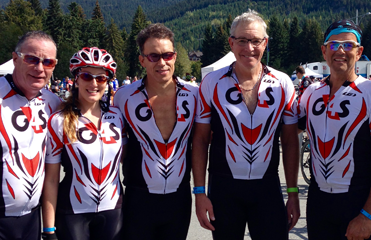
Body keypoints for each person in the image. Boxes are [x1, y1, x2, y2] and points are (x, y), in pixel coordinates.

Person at [193, 10, 299, 240]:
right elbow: (200, 140)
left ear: (265, 43)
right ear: (231, 43)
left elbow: (290, 142)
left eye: (255, 41)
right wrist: (199, 192)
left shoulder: (282, 83)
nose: (248, 48)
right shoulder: (212, 82)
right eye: (242, 40)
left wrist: (292, 193)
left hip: (268, 188)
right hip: (223, 188)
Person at [297, 19, 371, 240]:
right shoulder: (311, 92)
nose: (340, 50)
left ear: (359, 52)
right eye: (334, 45)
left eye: (348, 45)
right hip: (318, 202)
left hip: (357, 201)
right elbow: (288, 130)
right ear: (324, 51)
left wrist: (367, 215)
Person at [113, 23, 198, 240]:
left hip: (179, 198)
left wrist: (201, 191)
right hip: (138, 196)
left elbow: (204, 142)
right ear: (142, 60)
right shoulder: (123, 96)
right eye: (153, 56)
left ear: (175, 57)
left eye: (167, 55)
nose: (162, 62)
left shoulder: (195, 94)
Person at [42, 47, 124, 240]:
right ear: (76, 80)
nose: (94, 83)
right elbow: (52, 179)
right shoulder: (58, 120)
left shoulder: (118, 117)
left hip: (113, 210)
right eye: (87, 76)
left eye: (101, 78)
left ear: (108, 82)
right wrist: (48, 229)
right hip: (72, 213)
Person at [0, 31, 61, 240]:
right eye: (32, 59)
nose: (40, 68)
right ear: (15, 59)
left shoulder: (53, 103)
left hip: (31, 220)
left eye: (48, 62)